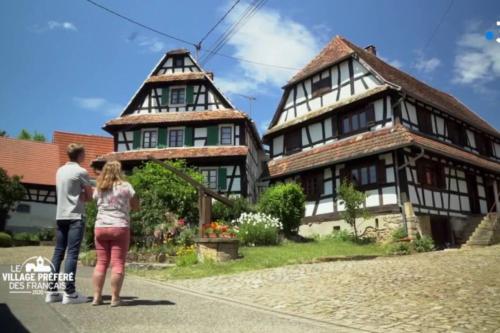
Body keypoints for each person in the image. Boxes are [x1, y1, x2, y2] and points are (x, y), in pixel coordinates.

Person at [46, 143, 92, 304]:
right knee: (72, 254)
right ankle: (70, 293)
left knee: (58, 253)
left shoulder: (60, 171)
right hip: (75, 216)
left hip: (60, 215)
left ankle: (51, 291)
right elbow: (90, 196)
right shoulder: (81, 171)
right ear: (80, 156)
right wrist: (81, 194)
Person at [91, 161, 138, 307]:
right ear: (119, 171)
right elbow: (136, 205)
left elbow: (94, 200)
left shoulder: (100, 187)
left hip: (100, 227)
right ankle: (115, 298)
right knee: (117, 263)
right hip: (120, 227)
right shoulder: (125, 186)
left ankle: (97, 297)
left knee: (101, 263)